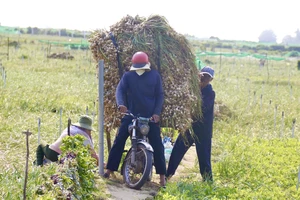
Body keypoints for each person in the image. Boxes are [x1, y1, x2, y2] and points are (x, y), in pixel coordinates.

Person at [103, 51, 167, 187]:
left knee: (157, 144)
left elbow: (160, 95)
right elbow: (119, 90)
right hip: (131, 114)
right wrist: (121, 104)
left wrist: (156, 113)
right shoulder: (128, 76)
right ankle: (109, 169)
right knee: (119, 140)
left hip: (150, 117)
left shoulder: (154, 76)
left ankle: (162, 177)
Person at [166, 66, 215, 182]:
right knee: (177, 151)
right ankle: (167, 176)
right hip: (189, 128)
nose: (204, 79)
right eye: (202, 76)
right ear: (198, 75)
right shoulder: (192, 90)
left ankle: (208, 181)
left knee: (204, 158)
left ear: (210, 80)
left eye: (207, 77)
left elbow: (202, 109)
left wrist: (190, 104)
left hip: (203, 131)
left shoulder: (210, 93)